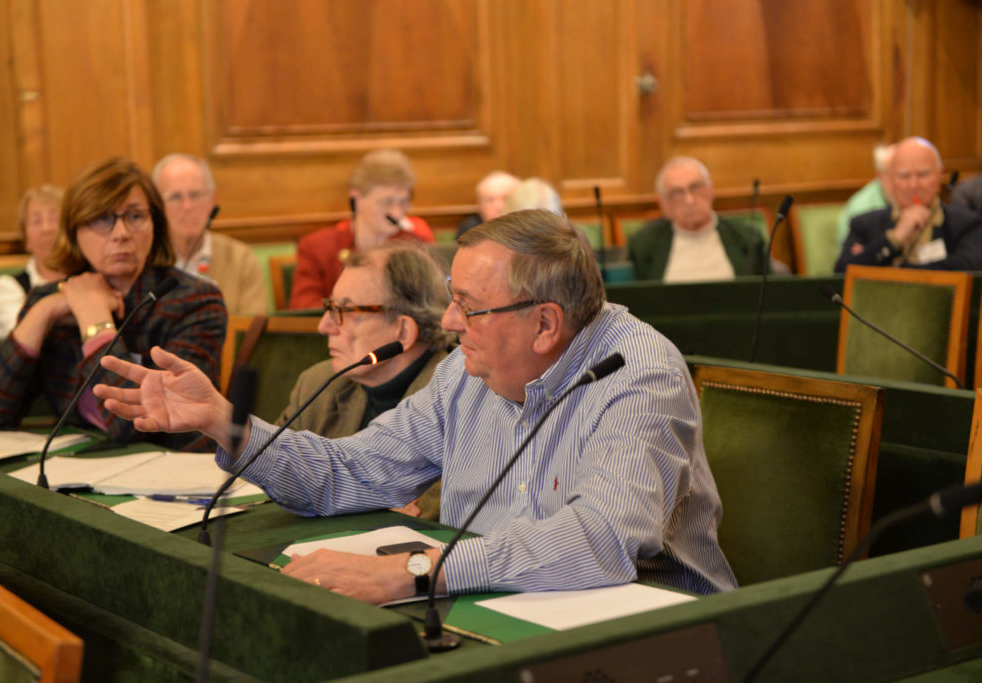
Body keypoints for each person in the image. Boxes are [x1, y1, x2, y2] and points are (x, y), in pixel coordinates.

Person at [95, 209, 736, 604]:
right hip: (491, 607)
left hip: (646, 628)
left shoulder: (638, 373)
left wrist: (419, 571)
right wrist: (222, 421)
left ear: (546, 325)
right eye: (452, 297)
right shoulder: (465, 372)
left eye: (469, 306)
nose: (450, 322)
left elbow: (602, 539)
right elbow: (350, 471)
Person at [0, 157, 226, 452]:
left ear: (155, 225)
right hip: (84, 466)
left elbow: (135, 424)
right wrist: (41, 313)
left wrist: (95, 321)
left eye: (135, 216)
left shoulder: (194, 301)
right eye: (102, 219)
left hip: (180, 470)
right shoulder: (51, 300)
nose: (121, 233)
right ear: (74, 231)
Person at [275, 243, 452, 520]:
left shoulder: (456, 397)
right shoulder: (319, 384)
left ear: (403, 330)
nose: (324, 326)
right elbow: (279, 473)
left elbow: (435, 513)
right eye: (330, 307)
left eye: (345, 310)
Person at [287, 149, 435, 309]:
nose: (397, 213)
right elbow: (305, 308)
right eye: (387, 202)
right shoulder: (317, 247)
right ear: (357, 199)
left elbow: (430, 304)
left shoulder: (414, 244)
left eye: (403, 202)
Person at [834, 137, 982, 273]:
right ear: (891, 179)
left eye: (923, 174)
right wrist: (894, 239)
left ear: (939, 174)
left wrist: (893, 269)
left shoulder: (967, 223)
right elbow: (841, 274)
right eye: (904, 176)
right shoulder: (864, 225)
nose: (913, 185)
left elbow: (967, 267)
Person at [152, 153, 268, 316]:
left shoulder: (240, 259)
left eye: (195, 195)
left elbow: (253, 328)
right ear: (157, 205)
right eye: (175, 197)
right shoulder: (146, 260)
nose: (187, 206)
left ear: (211, 200)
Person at [628, 157, 766, 282]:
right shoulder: (643, 244)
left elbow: (770, 293)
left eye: (695, 187)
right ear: (664, 204)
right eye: (677, 192)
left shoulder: (746, 237)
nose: (689, 200)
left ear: (711, 190)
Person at [0, 185, 67, 338]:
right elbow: (16, 341)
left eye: (55, 219)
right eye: (37, 221)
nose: (47, 228)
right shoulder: (9, 287)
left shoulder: (89, 276)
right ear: (26, 239)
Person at [835, 144, 895, 250]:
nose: (902, 184)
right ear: (878, 174)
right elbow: (852, 256)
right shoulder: (861, 207)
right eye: (892, 174)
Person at [456, 171, 520, 237]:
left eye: (506, 198)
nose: (498, 206)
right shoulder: (470, 229)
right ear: (480, 205)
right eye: (490, 200)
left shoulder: (528, 227)